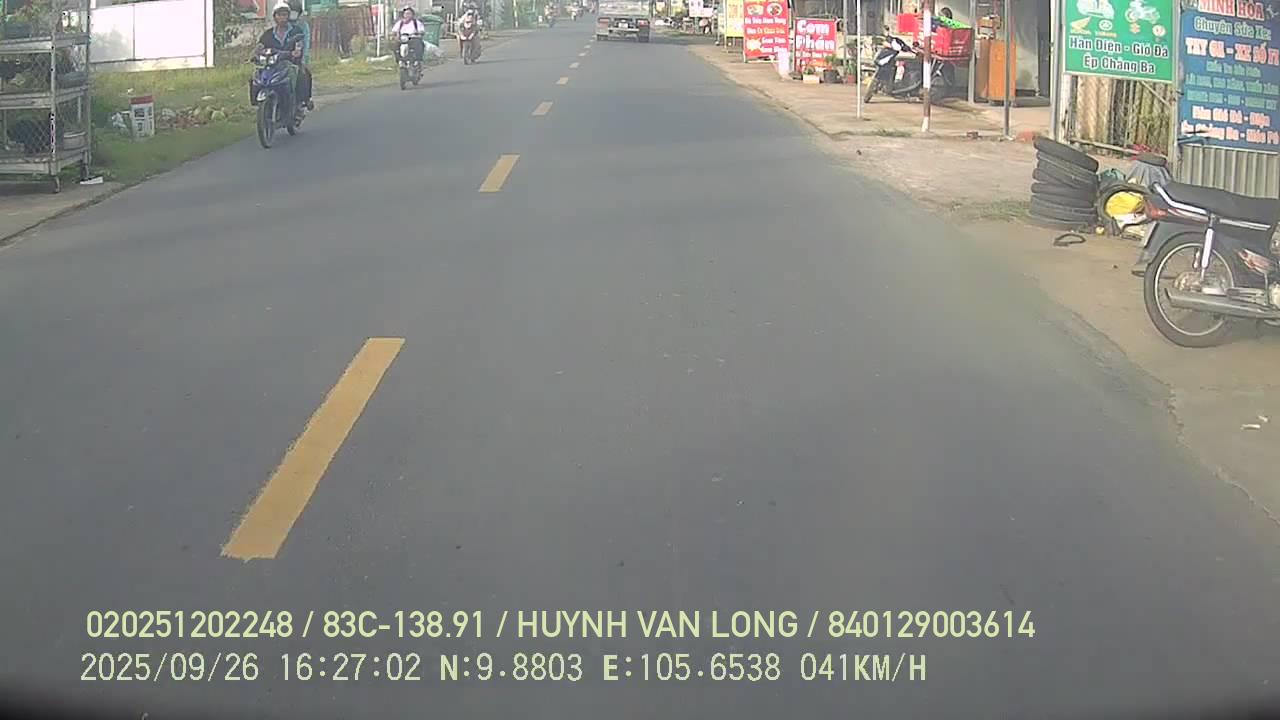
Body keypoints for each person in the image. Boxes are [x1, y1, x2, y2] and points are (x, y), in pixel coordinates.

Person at [256, 1, 305, 105]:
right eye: (279, 15)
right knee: (256, 77)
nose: (282, 18)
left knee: (302, 74)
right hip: (273, 64)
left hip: (290, 63)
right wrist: (255, 54)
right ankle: (256, 102)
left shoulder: (296, 31)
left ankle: (299, 102)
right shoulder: (268, 34)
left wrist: (296, 52)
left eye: (284, 15)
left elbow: (299, 46)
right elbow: (260, 46)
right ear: (274, 17)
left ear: (288, 16)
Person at [288, 0, 314, 110]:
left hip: (298, 56)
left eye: (295, 12)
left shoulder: (303, 25)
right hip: (283, 56)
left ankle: (306, 98)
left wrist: (304, 59)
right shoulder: (282, 24)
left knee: (305, 74)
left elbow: (306, 43)